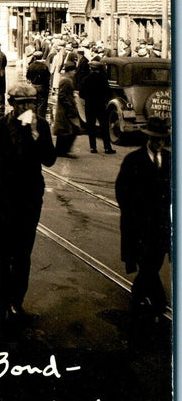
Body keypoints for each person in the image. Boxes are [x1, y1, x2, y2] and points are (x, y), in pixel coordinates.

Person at [0, 82, 56, 328]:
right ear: (12, 103)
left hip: (29, 200)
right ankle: (0, 307)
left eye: (31, 103)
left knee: (23, 254)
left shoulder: (41, 126)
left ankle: (16, 303)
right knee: (1, 254)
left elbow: (50, 160)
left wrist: (36, 137)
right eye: (22, 103)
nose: (28, 107)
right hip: (1, 201)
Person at [115, 117, 171, 321]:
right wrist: (132, 213)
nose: (159, 143)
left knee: (154, 262)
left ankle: (139, 293)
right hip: (139, 224)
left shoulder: (171, 160)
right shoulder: (133, 160)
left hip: (162, 224)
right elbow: (122, 191)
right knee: (147, 262)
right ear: (148, 138)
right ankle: (157, 302)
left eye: (162, 139)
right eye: (155, 139)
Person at [79, 56, 116, 154]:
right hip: (100, 105)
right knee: (104, 126)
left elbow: (81, 94)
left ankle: (93, 148)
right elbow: (108, 93)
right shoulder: (103, 79)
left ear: (91, 69)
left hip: (89, 105)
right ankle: (107, 148)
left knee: (91, 127)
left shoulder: (86, 79)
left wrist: (88, 98)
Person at [53, 60, 82, 155]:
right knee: (68, 130)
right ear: (69, 71)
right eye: (73, 70)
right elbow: (63, 96)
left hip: (64, 109)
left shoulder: (65, 79)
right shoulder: (66, 81)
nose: (75, 73)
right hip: (65, 110)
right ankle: (62, 151)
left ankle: (61, 150)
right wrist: (70, 106)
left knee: (65, 130)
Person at [26, 50, 50, 118]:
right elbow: (48, 77)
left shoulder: (31, 66)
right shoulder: (44, 66)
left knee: (34, 103)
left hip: (33, 86)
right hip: (42, 86)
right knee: (42, 104)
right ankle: (40, 118)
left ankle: (34, 117)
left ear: (34, 57)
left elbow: (28, 76)